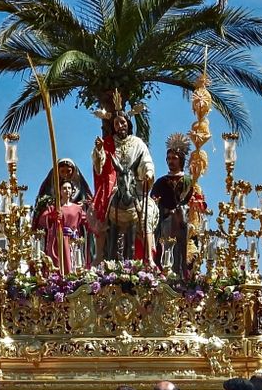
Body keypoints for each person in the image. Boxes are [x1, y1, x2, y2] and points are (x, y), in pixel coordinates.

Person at [90, 110, 156, 262]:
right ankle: (99, 255)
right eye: (116, 123)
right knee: (100, 210)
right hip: (114, 186)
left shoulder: (137, 143)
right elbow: (100, 165)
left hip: (136, 187)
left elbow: (146, 160)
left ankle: (149, 258)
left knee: (148, 212)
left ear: (128, 124)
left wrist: (148, 173)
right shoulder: (108, 142)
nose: (120, 126)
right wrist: (99, 150)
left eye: (123, 122)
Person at [150, 134, 206, 277]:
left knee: (181, 252)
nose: (170, 161)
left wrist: (187, 208)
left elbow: (196, 205)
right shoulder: (161, 182)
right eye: (168, 158)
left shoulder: (189, 181)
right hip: (163, 224)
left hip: (182, 224)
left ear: (181, 159)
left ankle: (181, 273)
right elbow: (152, 204)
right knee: (164, 251)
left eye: (174, 158)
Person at [37, 179, 91, 273]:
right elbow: (42, 220)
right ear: (60, 191)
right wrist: (51, 216)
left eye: (69, 188)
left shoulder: (77, 208)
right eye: (64, 188)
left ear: (72, 191)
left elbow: (88, 221)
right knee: (57, 265)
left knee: (72, 264)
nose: (67, 190)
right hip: (57, 240)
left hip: (72, 240)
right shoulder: (54, 207)